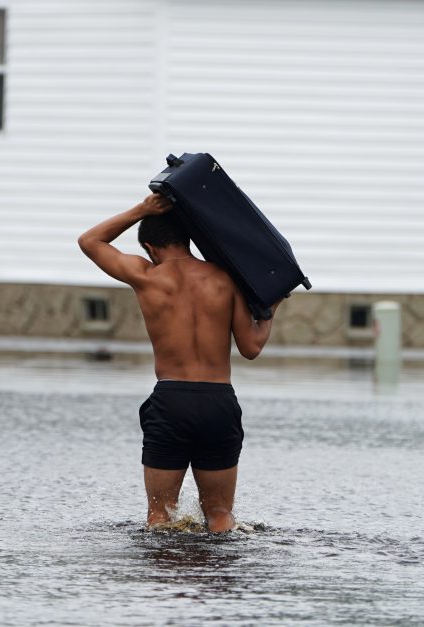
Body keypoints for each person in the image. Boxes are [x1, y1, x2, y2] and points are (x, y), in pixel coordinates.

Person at [78, 193, 279, 532]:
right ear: (187, 239)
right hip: (218, 401)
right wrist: (271, 308)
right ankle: (219, 578)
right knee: (220, 516)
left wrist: (142, 209)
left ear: (151, 249)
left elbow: (90, 241)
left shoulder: (148, 276)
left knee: (159, 517)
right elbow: (251, 347)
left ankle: (163, 583)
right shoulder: (226, 278)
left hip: (171, 401)